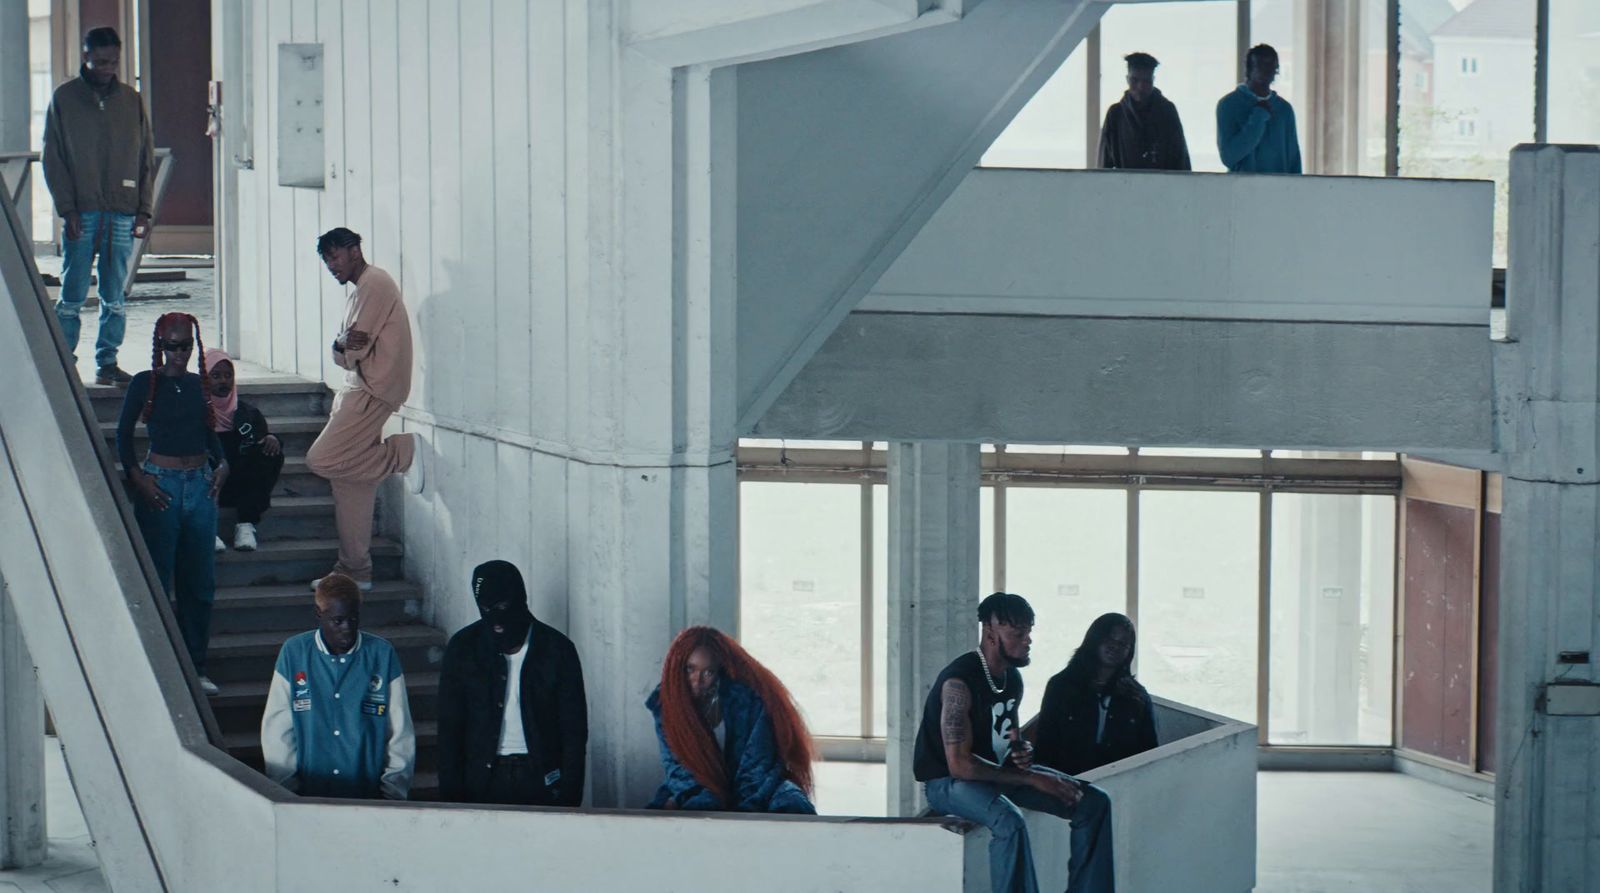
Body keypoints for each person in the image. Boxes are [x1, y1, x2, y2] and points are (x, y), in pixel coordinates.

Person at [915, 593, 1114, 893]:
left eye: (1029, 632)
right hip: (947, 783)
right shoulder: (959, 682)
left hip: (993, 774)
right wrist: (1032, 777)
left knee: (1094, 802)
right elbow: (960, 764)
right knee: (1009, 822)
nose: (1027, 640)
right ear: (990, 632)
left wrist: (1022, 751)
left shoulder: (1011, 679)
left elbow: (1009, 738)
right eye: (1018, 633)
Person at [304, 227, 423, 592]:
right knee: (350, 480)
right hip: (362, 387)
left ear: (355, 250)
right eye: (326, 260)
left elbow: (351, 352)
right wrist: (340, 346)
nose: (331, 265)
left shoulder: (374, 283)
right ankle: (356, 569)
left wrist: (341, 347)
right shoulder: (363, 289)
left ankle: (403, 452)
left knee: (320, 459)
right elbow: (344, 350)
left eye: (335, 256)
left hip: (372, 390)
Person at [116, 312, 227, 696]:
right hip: (160, 486)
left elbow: (208, 432)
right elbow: (123, 435)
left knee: (200, 584)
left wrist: (223, 464)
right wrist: (138, 479)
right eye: (172, 346)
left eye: (185, 346)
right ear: (160, 347)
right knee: (158, 582)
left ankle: (196, 666)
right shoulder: (145, 384)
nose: (179, 354)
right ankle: (159, 669)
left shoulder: (199, 384)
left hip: (199, 486)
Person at [41, 26, 157, 386]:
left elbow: (144, 156)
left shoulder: (131, 100)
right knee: (72, 294)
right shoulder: (65, 99)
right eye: (101, 60)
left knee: (115, 296)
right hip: (83, 212)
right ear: (86, 56)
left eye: (114, 61)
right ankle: (63, 362)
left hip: (122, 211)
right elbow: (53, 157)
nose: (107, 67)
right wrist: (68, 209)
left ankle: (107, 362)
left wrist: (144, 209)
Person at [437, 560, 587, 806]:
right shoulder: (463, 648)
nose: (495, 620)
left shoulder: (558, 650)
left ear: (519, 600)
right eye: (485, 609)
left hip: (542, 781)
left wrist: (570, 798)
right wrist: (451, 800)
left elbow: (574, 731)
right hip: (481, 781)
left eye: (503, 606)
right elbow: (450, 729)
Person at [260, 573, 416, 799]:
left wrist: (392, 795)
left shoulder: (382, 654)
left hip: (368, 794)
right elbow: (277, 733)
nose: (347, 629)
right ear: (318, 614)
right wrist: (287, 795)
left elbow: (400, 733)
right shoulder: (294, 653)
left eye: (353, 619)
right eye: (338, 620)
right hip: (309, 794)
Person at [645, 626, 817, 814]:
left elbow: (759, 763)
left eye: (708, 672)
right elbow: (679, 770)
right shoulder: (664, 705)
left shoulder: (748, 699)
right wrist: (707, 801)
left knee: (793, 803)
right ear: (677, 667)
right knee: (672, 811)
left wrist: (742, 814)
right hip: (694, 786)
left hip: (758, 785)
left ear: (719, 671)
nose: (697, 681)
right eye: (690, 669)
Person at [1033, 613, 1159, 776]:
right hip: (1065, 783)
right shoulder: (1061, 686)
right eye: (1109, 639)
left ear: (1130, 650)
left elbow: (1149, 751)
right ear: (1094, 640)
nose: (1115, 646)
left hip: (1120, 784)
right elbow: (1045, 744)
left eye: (1123, 643)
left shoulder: (1137, 696)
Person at [205, 349, 284, 553]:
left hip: (239, 488)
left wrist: (272, 439)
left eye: (228, 375)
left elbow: (262, 439)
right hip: (207, 486)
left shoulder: (247, 413)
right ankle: (206, 529)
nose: (223, 381)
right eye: (215, 376)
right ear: (204, 379)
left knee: (271, 451)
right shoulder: (196, 411)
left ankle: (246, 525)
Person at [1217, 44, 1302, 174]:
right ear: (1249, 69)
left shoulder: (1284, 110)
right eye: (1260, 65)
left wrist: (1296, 190)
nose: (1266, 71)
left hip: (1279, 190)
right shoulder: (1229, 105)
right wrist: (1258, 118)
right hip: (1242, 190)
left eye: (1271, 66)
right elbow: (1229, 157)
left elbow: (1294, 160)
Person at [1097, 52, 1191, 171]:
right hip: (1125, 187)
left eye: (1146, 81)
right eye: (1135, 80)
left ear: (1153, 80)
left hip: (1163, 186)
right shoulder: (1115, 114)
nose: (1140, 87)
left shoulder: (1167, 112)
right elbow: (1104, 163)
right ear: (1127, 80)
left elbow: (1180, 158)